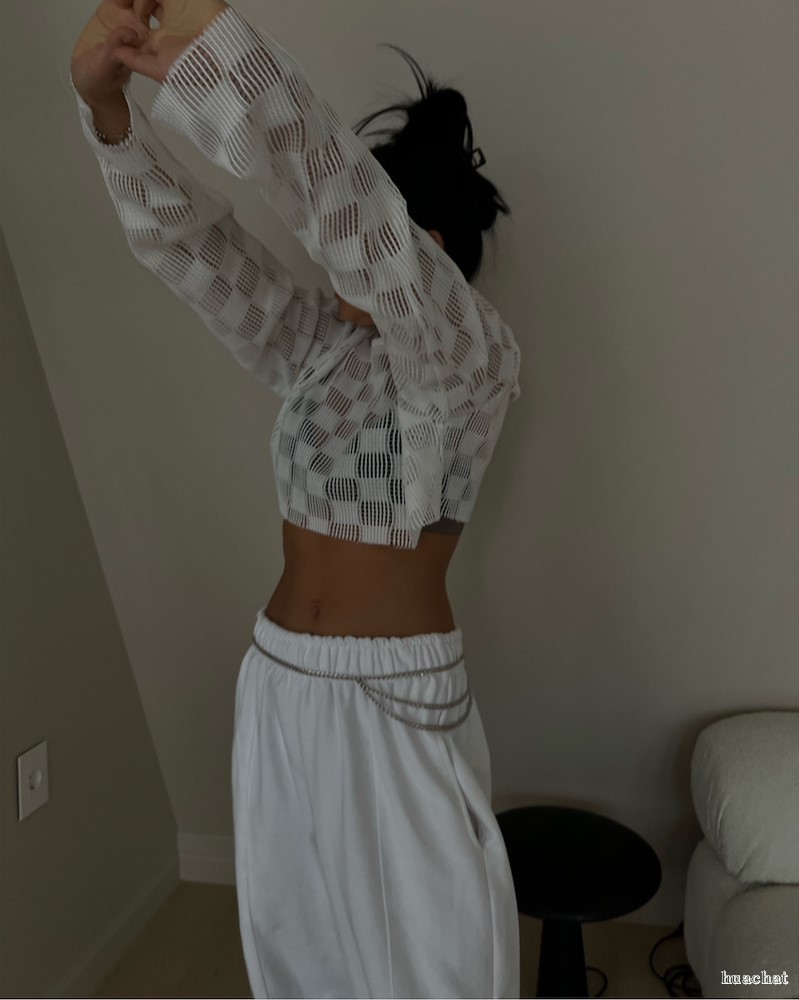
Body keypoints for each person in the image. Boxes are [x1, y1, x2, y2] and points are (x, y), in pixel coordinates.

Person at [70, 1, 522, 996]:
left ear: (432, 246)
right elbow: (199, 253)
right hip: (279, 677)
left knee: (434, 957)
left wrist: (220, 52)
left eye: (377, 240)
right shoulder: (321, 347)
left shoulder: (473, 361)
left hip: (393, 698)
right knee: (298, 938)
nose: (333, 258)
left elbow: (354, 218)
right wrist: (109, 111)